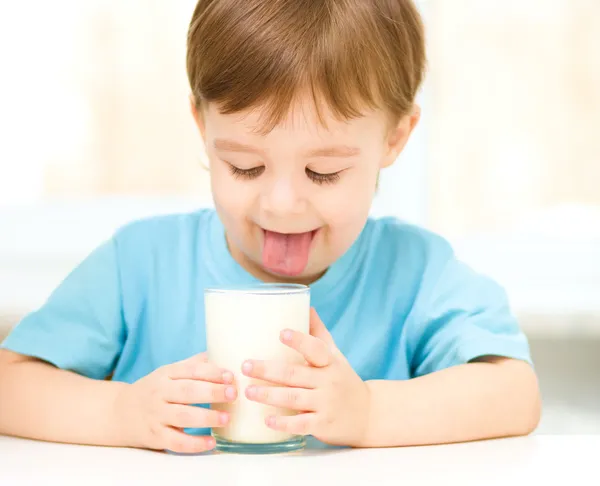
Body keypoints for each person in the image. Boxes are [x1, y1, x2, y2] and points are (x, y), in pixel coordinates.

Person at [0, 0, 540, 453]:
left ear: (396, 138)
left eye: (323, 172)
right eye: (245, 166)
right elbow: (10, 384)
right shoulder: (140, 263)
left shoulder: (417, 273)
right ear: (201, 124)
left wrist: (370, 412)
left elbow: (516, 393)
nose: (281, 204)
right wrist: (118, 412)